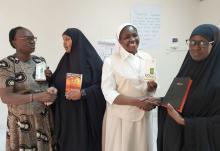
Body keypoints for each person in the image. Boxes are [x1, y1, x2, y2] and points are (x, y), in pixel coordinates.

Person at [157, 24, 220, 151]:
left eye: (203, 43)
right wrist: (161, 101)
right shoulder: (188, 67)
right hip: (179, 139)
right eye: (192, 42)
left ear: (215, 45)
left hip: (202, 143)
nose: (196, 47)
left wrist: (184, 122)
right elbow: (184, 98)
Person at [101, 23, 158, 151]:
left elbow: (151, 88)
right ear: (119, 41)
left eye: (134, 35)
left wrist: (152, 87)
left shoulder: (148, 58)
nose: (132, 39)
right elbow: (108, 93)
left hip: (145, 116)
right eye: (127, 37)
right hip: (122, 118)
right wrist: (137, 102)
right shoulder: (111, 61)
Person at [0, 26, 57, 151]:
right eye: (27, 38)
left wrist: (49, 81)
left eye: (33, 38)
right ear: (14, 42)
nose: (32, 41)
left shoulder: (39, 61)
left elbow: (42, 86)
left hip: (42, 118)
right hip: (21, 123)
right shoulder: (7, 64)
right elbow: (6, 97)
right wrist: (36, 97)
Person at [49, 28, 106, 151]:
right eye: (63, 40)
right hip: (66, 116)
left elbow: (103, 85)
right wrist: (52, 86)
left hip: (85, 116)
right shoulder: (64, 60)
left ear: (77, 40)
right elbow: (56, 80)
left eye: (67, 39)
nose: (64, 43)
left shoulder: (93, 61)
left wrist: (83, 93)